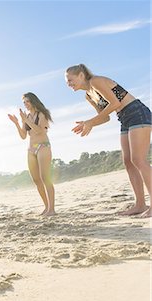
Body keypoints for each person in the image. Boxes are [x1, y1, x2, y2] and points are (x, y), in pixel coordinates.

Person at [65, 64, 152, 218]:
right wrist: (89, 123)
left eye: (70, 80)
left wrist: (90, 121)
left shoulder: (95, 81)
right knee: (127, 161)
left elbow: (115, 103)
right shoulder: (88, 95)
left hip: (136, 112)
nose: (69, 84)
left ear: (81, 75)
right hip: (124, 118)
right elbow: (105, 117)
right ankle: (140, 204)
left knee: (138, 160)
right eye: (67, 82)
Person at [8, 93, 56, 216]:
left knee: (45, 177)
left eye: (27, 101)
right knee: (36, 180)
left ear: (33, 101)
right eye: (24, 102)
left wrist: (26, 120)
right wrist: (17, 123)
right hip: (31, 149)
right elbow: (23, 136)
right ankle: (46, 207)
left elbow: (40, 131)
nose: (26, 105)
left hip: (43, 146)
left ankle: (52, 209)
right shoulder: (27, 117)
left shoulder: (41, 114)